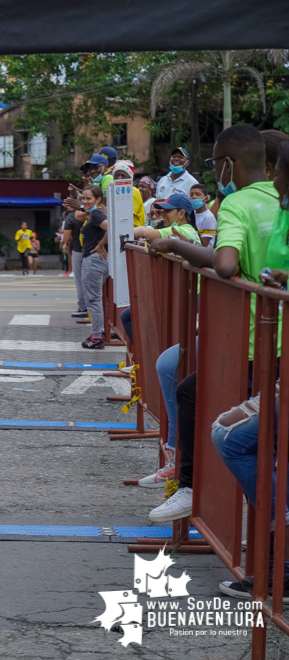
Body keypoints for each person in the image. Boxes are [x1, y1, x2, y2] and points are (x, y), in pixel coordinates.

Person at [143, 125, 279, 524]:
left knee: (220, 421)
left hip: (254, 338)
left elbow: (225, 264)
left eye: (216, 163)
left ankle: (196, 489)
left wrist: (172, 245)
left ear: (228, 164)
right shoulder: (278, 201)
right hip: (260, 334)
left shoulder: (237, 203)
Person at [211, 139, 289, 599]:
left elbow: (225, 264)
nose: (273, 183)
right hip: (274, 350)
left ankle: (280, 559)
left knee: (234, 438)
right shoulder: (278, 210)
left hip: (272, 350)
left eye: (278, 175)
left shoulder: (242, 203)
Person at [78, 185, 109, 349]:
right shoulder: (95, 213)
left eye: (88, 198)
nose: (85, 201)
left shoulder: (97, 214)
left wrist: (100, 245)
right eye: (83, 198)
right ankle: (99, 331)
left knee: (93, 300)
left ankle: (96, 338)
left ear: (98, 199)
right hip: (99, 260)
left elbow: (111, 228)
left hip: (94, 260)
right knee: (97, 299)